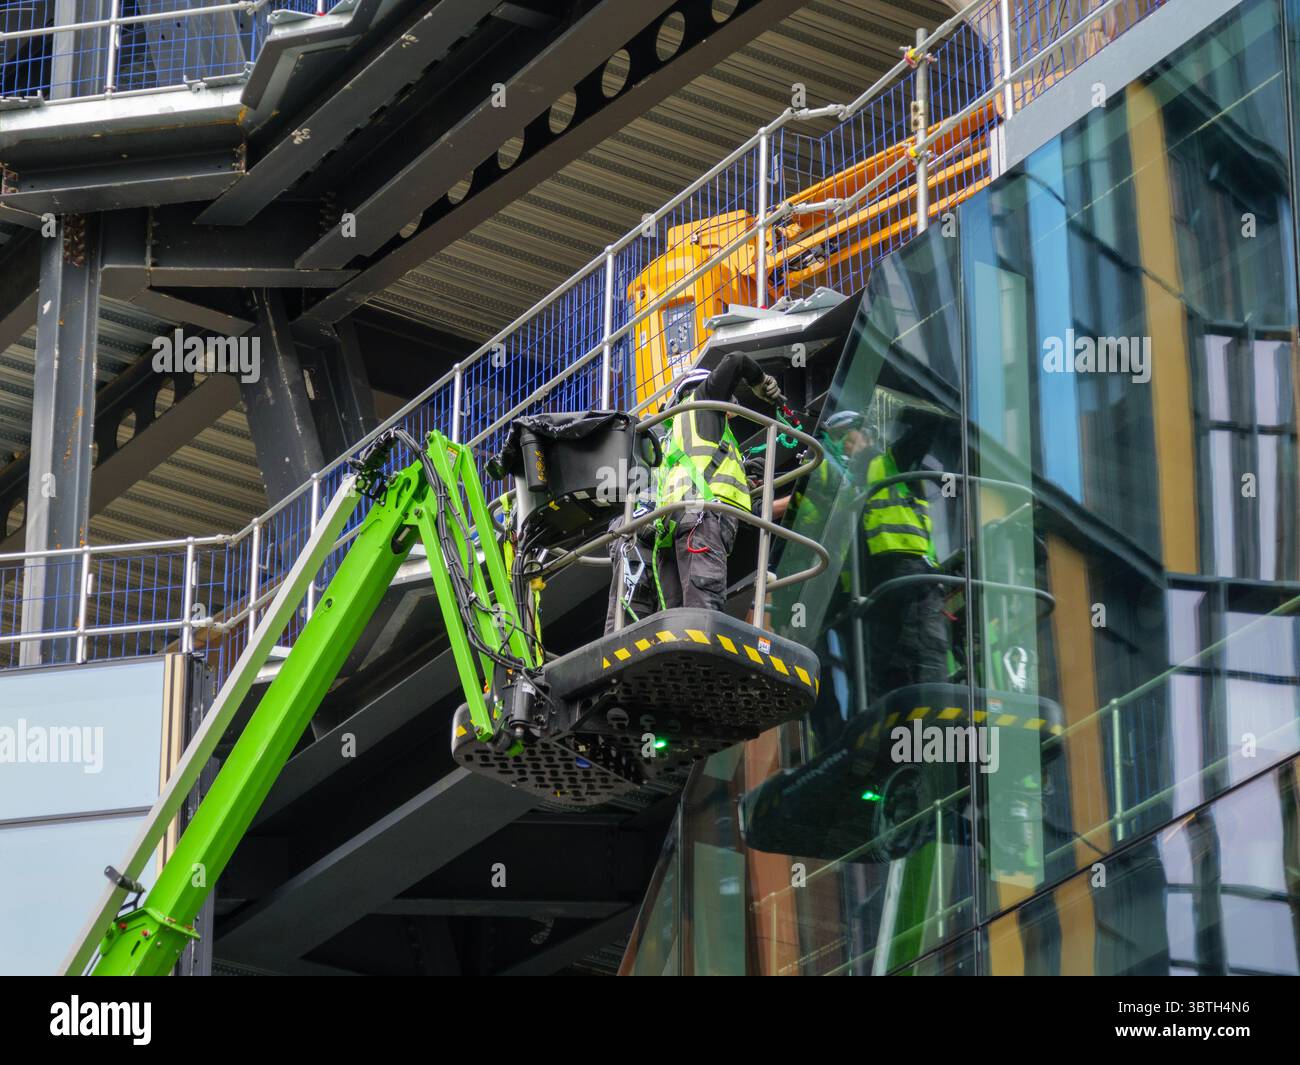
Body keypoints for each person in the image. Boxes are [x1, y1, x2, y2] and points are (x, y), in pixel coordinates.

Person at [605, 353, 781, 630]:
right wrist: (760, 380)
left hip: (678, 521)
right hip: (703, 518)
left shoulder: (675, 436)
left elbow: (698, 470)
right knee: (702, 603)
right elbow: (735, 361)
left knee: (676, 614)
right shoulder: (702, 404)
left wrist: (744, 477)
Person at [861, 404, 949, 696]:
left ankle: (892, 706)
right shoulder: (890, 462)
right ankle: (932, 702)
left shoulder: (875, 471)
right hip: (907, 565)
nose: (849, 446)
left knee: (894, 646)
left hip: (888, 571)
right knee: (925, 639)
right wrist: (902, 414)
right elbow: (930, 423)